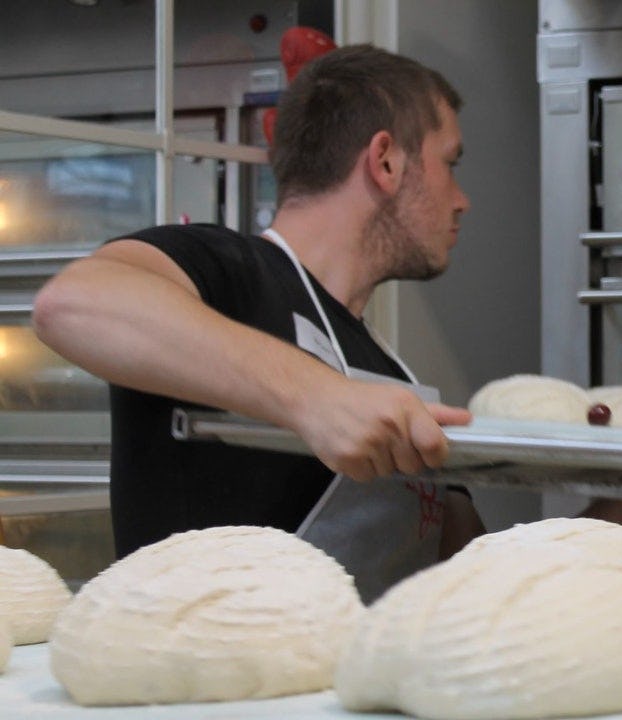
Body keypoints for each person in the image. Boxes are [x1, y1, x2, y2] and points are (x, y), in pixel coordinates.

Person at [32, 45, 488, 564]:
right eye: (449, 164)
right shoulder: (232, 271)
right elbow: (72, 303)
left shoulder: (387, 370)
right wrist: (318, 398)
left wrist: (599, 497)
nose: (461, 199)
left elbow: (471, 574)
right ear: (385, 160)